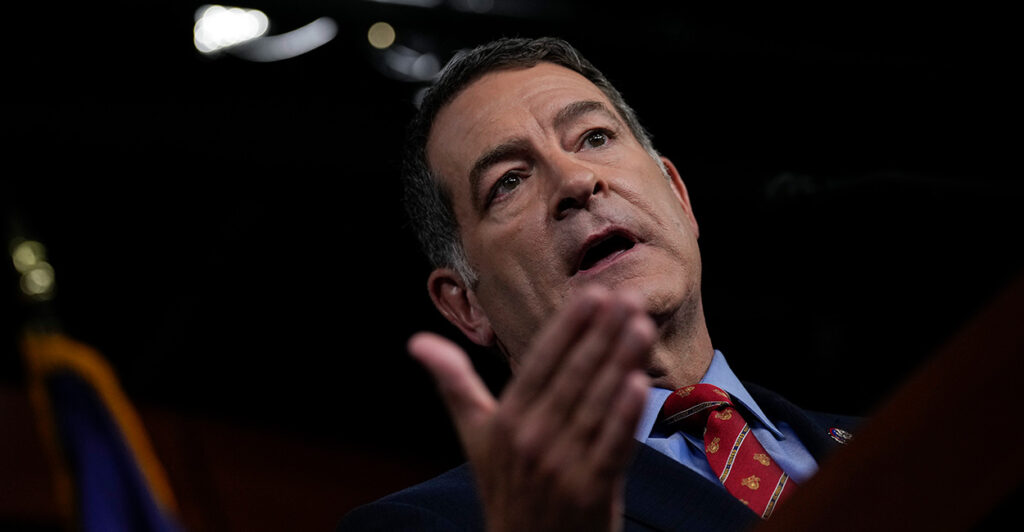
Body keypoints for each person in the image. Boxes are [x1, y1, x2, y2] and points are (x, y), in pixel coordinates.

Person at [338, 37, 858, 531]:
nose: (577, 181)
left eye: (595, 137)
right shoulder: (443, 525)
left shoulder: (909, 435)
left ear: (679, 196)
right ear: (467, 304)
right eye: (509, 181)